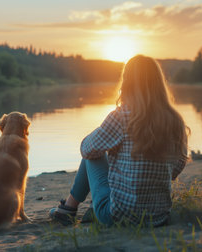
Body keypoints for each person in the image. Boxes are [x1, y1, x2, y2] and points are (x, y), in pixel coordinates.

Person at [49, 55, 189, 227]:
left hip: (117, 216)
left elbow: (86, 150)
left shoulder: (122, 116)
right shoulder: (175, 120)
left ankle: (68, 208)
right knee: (111, 158)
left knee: (94, 156)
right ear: (159, 84)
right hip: (158, 217)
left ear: (127, 83)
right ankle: (76, 209)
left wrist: (100, 132)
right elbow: (178, 166)